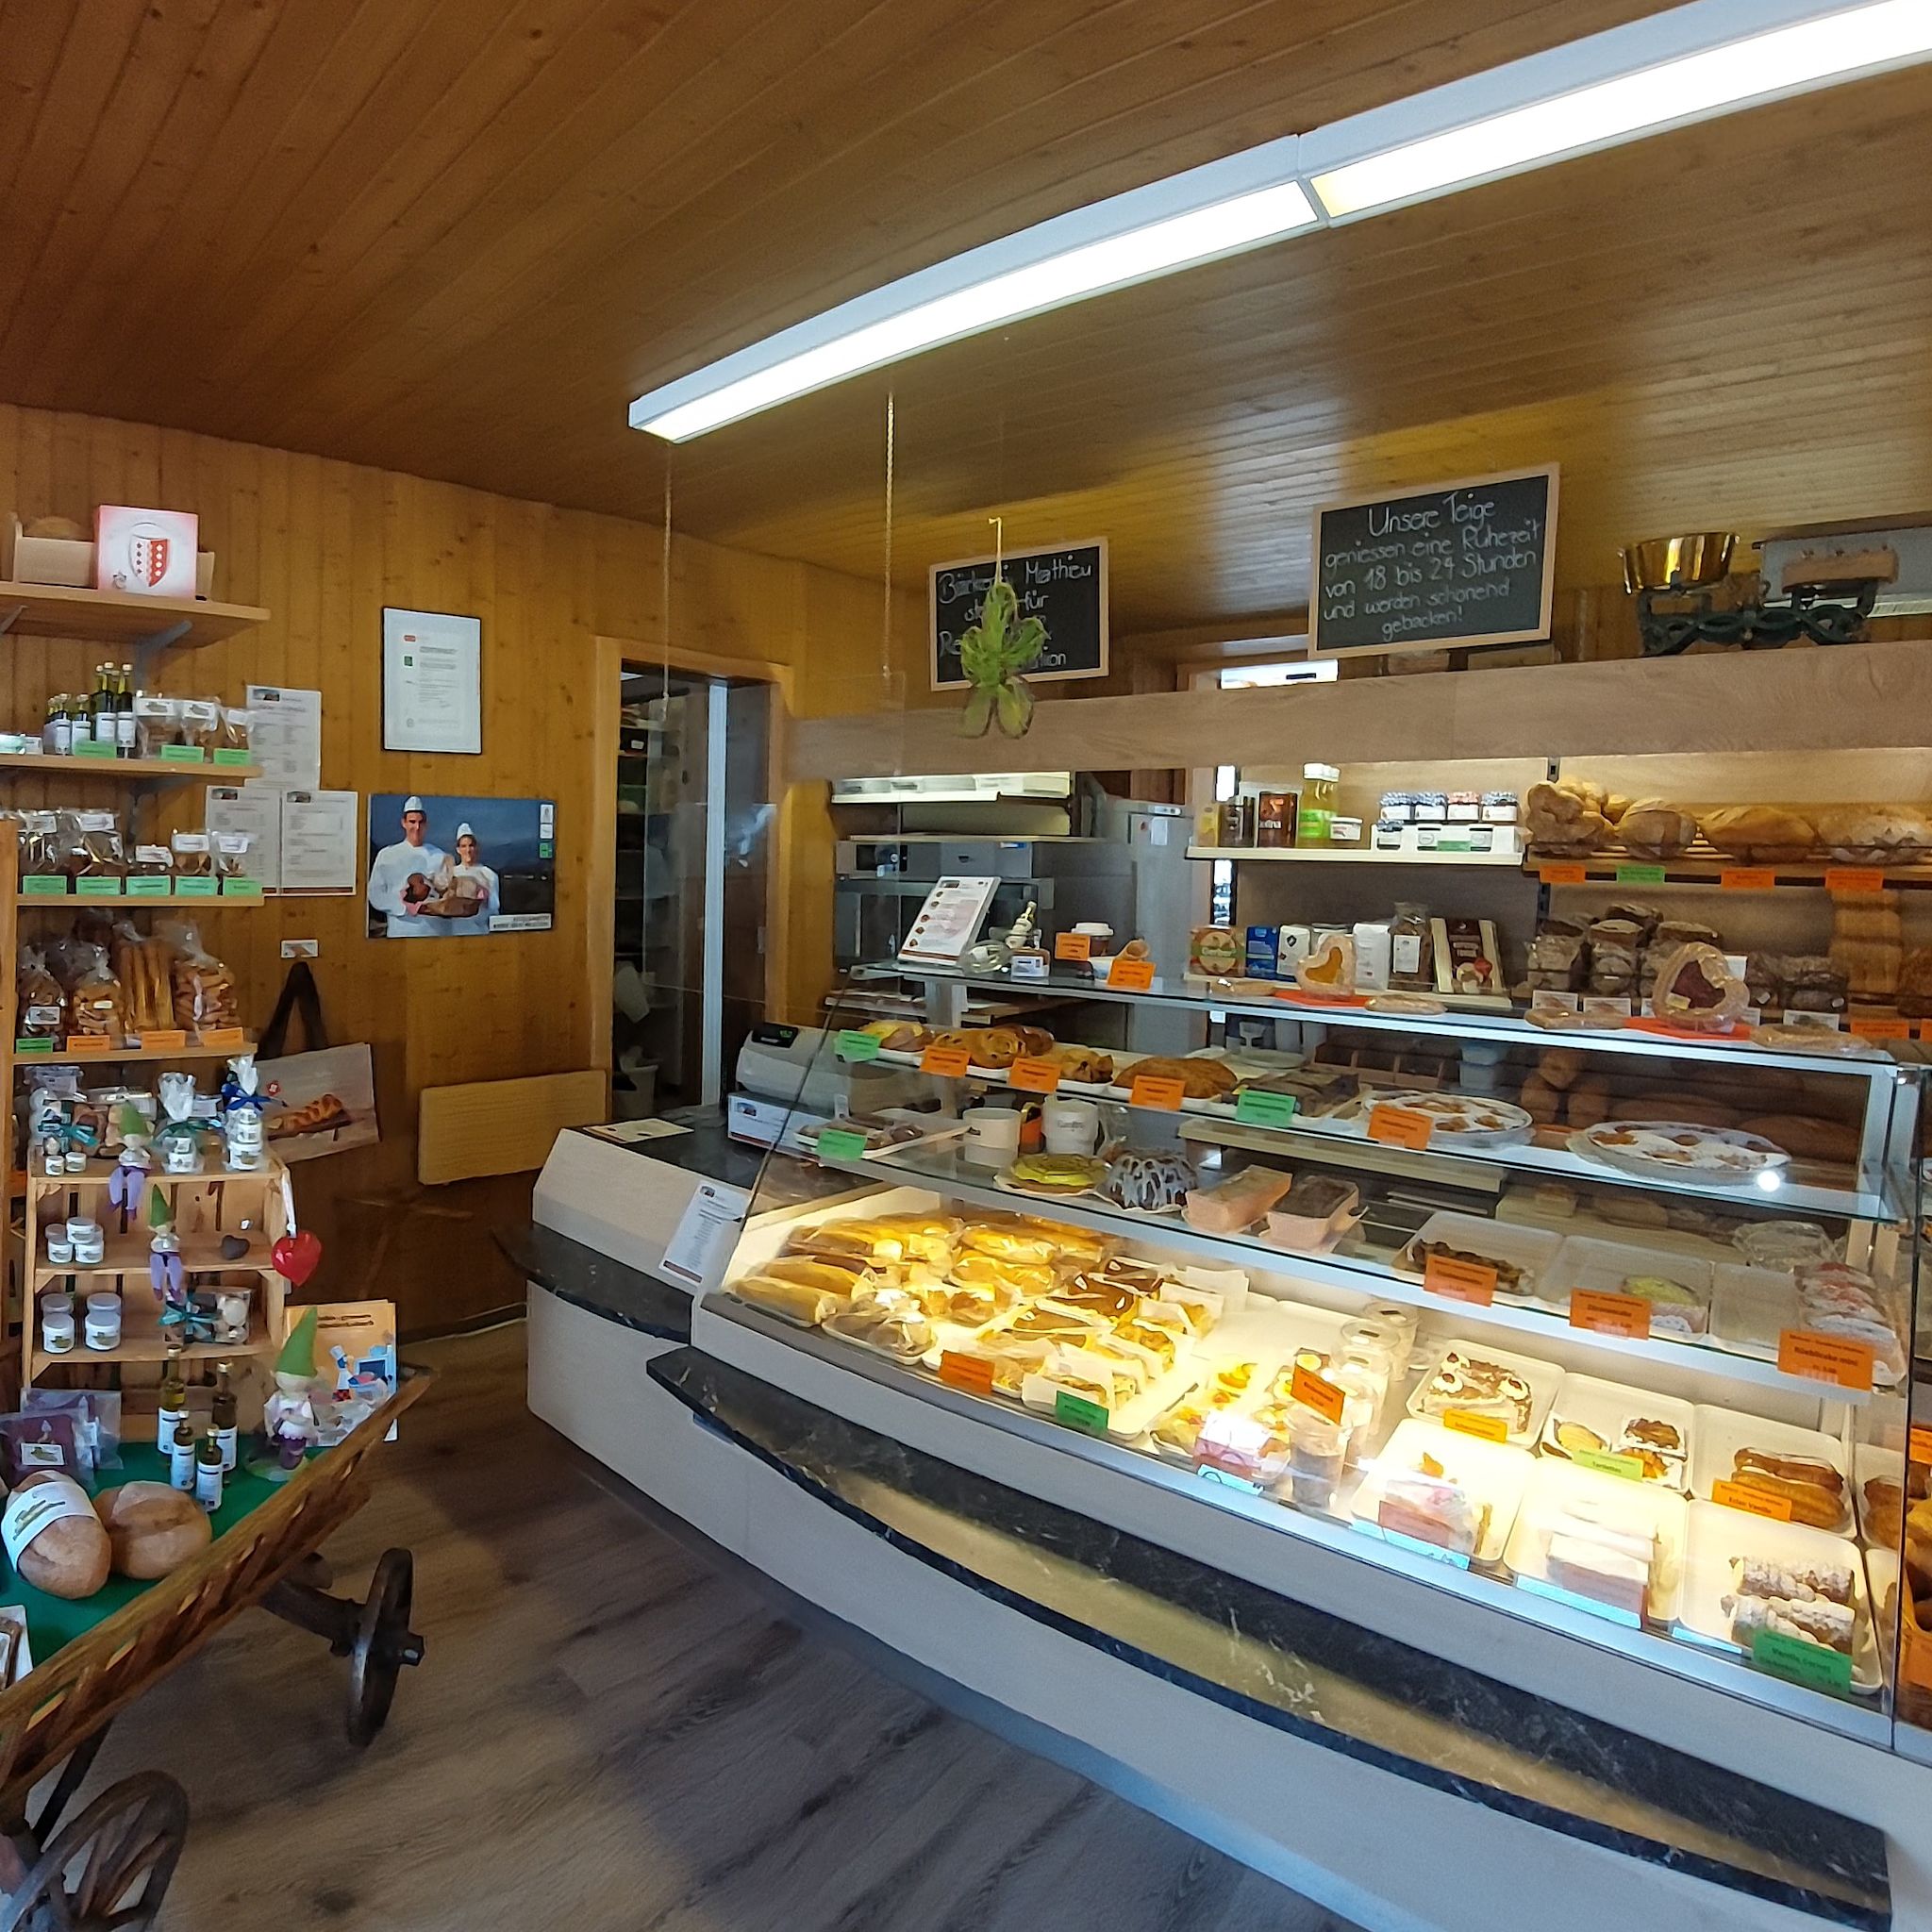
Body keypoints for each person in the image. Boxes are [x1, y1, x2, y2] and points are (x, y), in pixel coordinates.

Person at [366, 795, 449, 938]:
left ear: (426, 825)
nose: (416, 827)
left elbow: (446, 893)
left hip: (435, 933)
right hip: (400, 932)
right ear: (403, 823)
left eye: (421, 822)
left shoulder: (440, 856)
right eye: (412, 822)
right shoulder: (387, 855)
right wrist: (408, 907)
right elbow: (375, 894)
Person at [445, 823, 500, 935]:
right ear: (458, 849)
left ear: (476, 848)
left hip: (480, 931)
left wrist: (486, 898)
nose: (468, 850)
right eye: (463, 846)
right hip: (455, 932)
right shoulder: (450, 873)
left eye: (471, 846)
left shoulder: (488, 874)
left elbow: (494, 907)